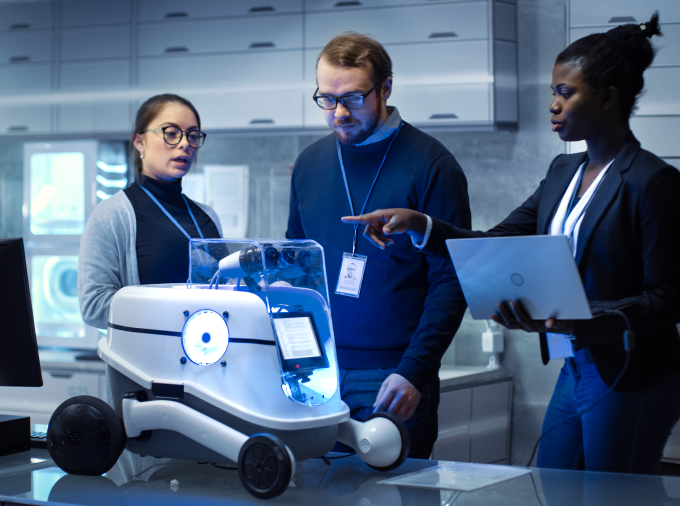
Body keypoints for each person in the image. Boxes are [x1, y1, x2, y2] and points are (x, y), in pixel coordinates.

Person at [343, 14, 680, 474]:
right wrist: (420, 224)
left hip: (633, 375)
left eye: (566, 92)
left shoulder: (653, 181)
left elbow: (666, 299)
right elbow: (493, 242)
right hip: (577, 365)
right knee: (553, 484)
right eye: (552, 92)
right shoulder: (563, 174)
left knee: (611, 497)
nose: (553, 105)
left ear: (607, 98)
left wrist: (578, 320)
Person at [286, 32, 470, 458]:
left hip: (393, 375)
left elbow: (452, 280)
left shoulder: (432, 165)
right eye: (327, 100)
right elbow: (297, 271)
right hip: (319, 373)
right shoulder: (310, 164)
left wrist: (415, 371)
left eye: (352, 98)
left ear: (385, 88)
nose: (338, 113)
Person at [78, 94, 222, 330]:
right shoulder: (111, 216)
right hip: (143, 365)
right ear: (139, 141)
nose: (185, 143)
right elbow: (93, 306)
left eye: (193, 135)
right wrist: (176, 310)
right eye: (172, 133)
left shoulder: (208, 216)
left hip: (208, 358)